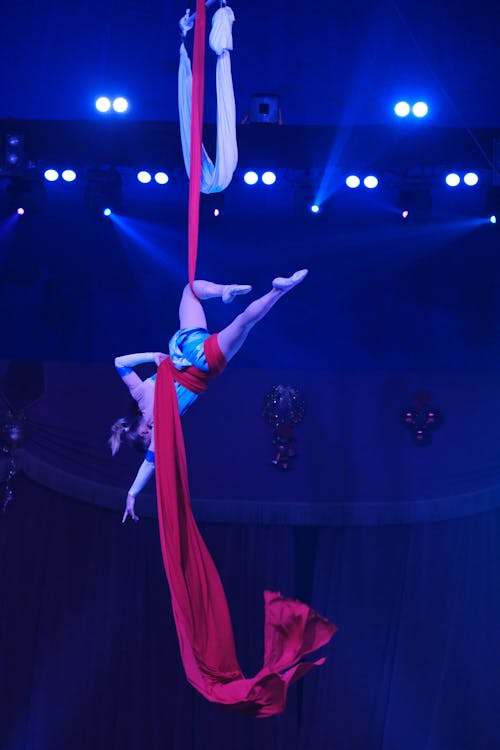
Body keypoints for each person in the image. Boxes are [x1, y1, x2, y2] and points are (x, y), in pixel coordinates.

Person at [110, 269, 308, 522]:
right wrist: (153, 357)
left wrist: (132, 493)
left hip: (204, 360)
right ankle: (227, 288)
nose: (151, 441)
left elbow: (149, 464)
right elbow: (120, 363)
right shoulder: (140, 394)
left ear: (140, 430)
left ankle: (277, 290)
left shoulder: (158, 425)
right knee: (191, 291)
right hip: (187, 346)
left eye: (146, 440)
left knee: (244, 323)